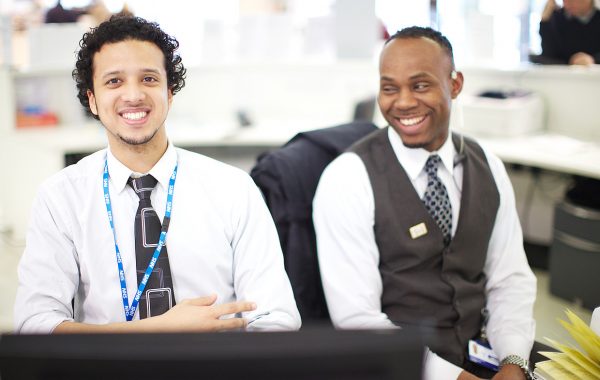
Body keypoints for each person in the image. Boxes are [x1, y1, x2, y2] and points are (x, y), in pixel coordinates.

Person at [14, 16, 300, 334]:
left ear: (170, 92)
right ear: (92, 100)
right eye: (114, 81)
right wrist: (157, 331)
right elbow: (36, 324)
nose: (134, 95)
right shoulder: (61, 197)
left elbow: (277, 317)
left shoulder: (233, 189)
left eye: (149, 79)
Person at [313, 27, 536, 380]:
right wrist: (456, 377)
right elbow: (357, 318)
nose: (402, 102)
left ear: (455, 84)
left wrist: (513, 362)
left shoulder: (487, 164)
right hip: (401, 365)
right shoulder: (347, 178)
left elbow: (509, 279)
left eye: (420, 85)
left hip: (486, 354)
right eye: (389, 88)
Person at [539, 0, 600, 65]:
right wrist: (545, 21)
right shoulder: (556, 18)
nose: (569, 3)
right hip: (563, 73)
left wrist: (593, 59)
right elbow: (548, 56)